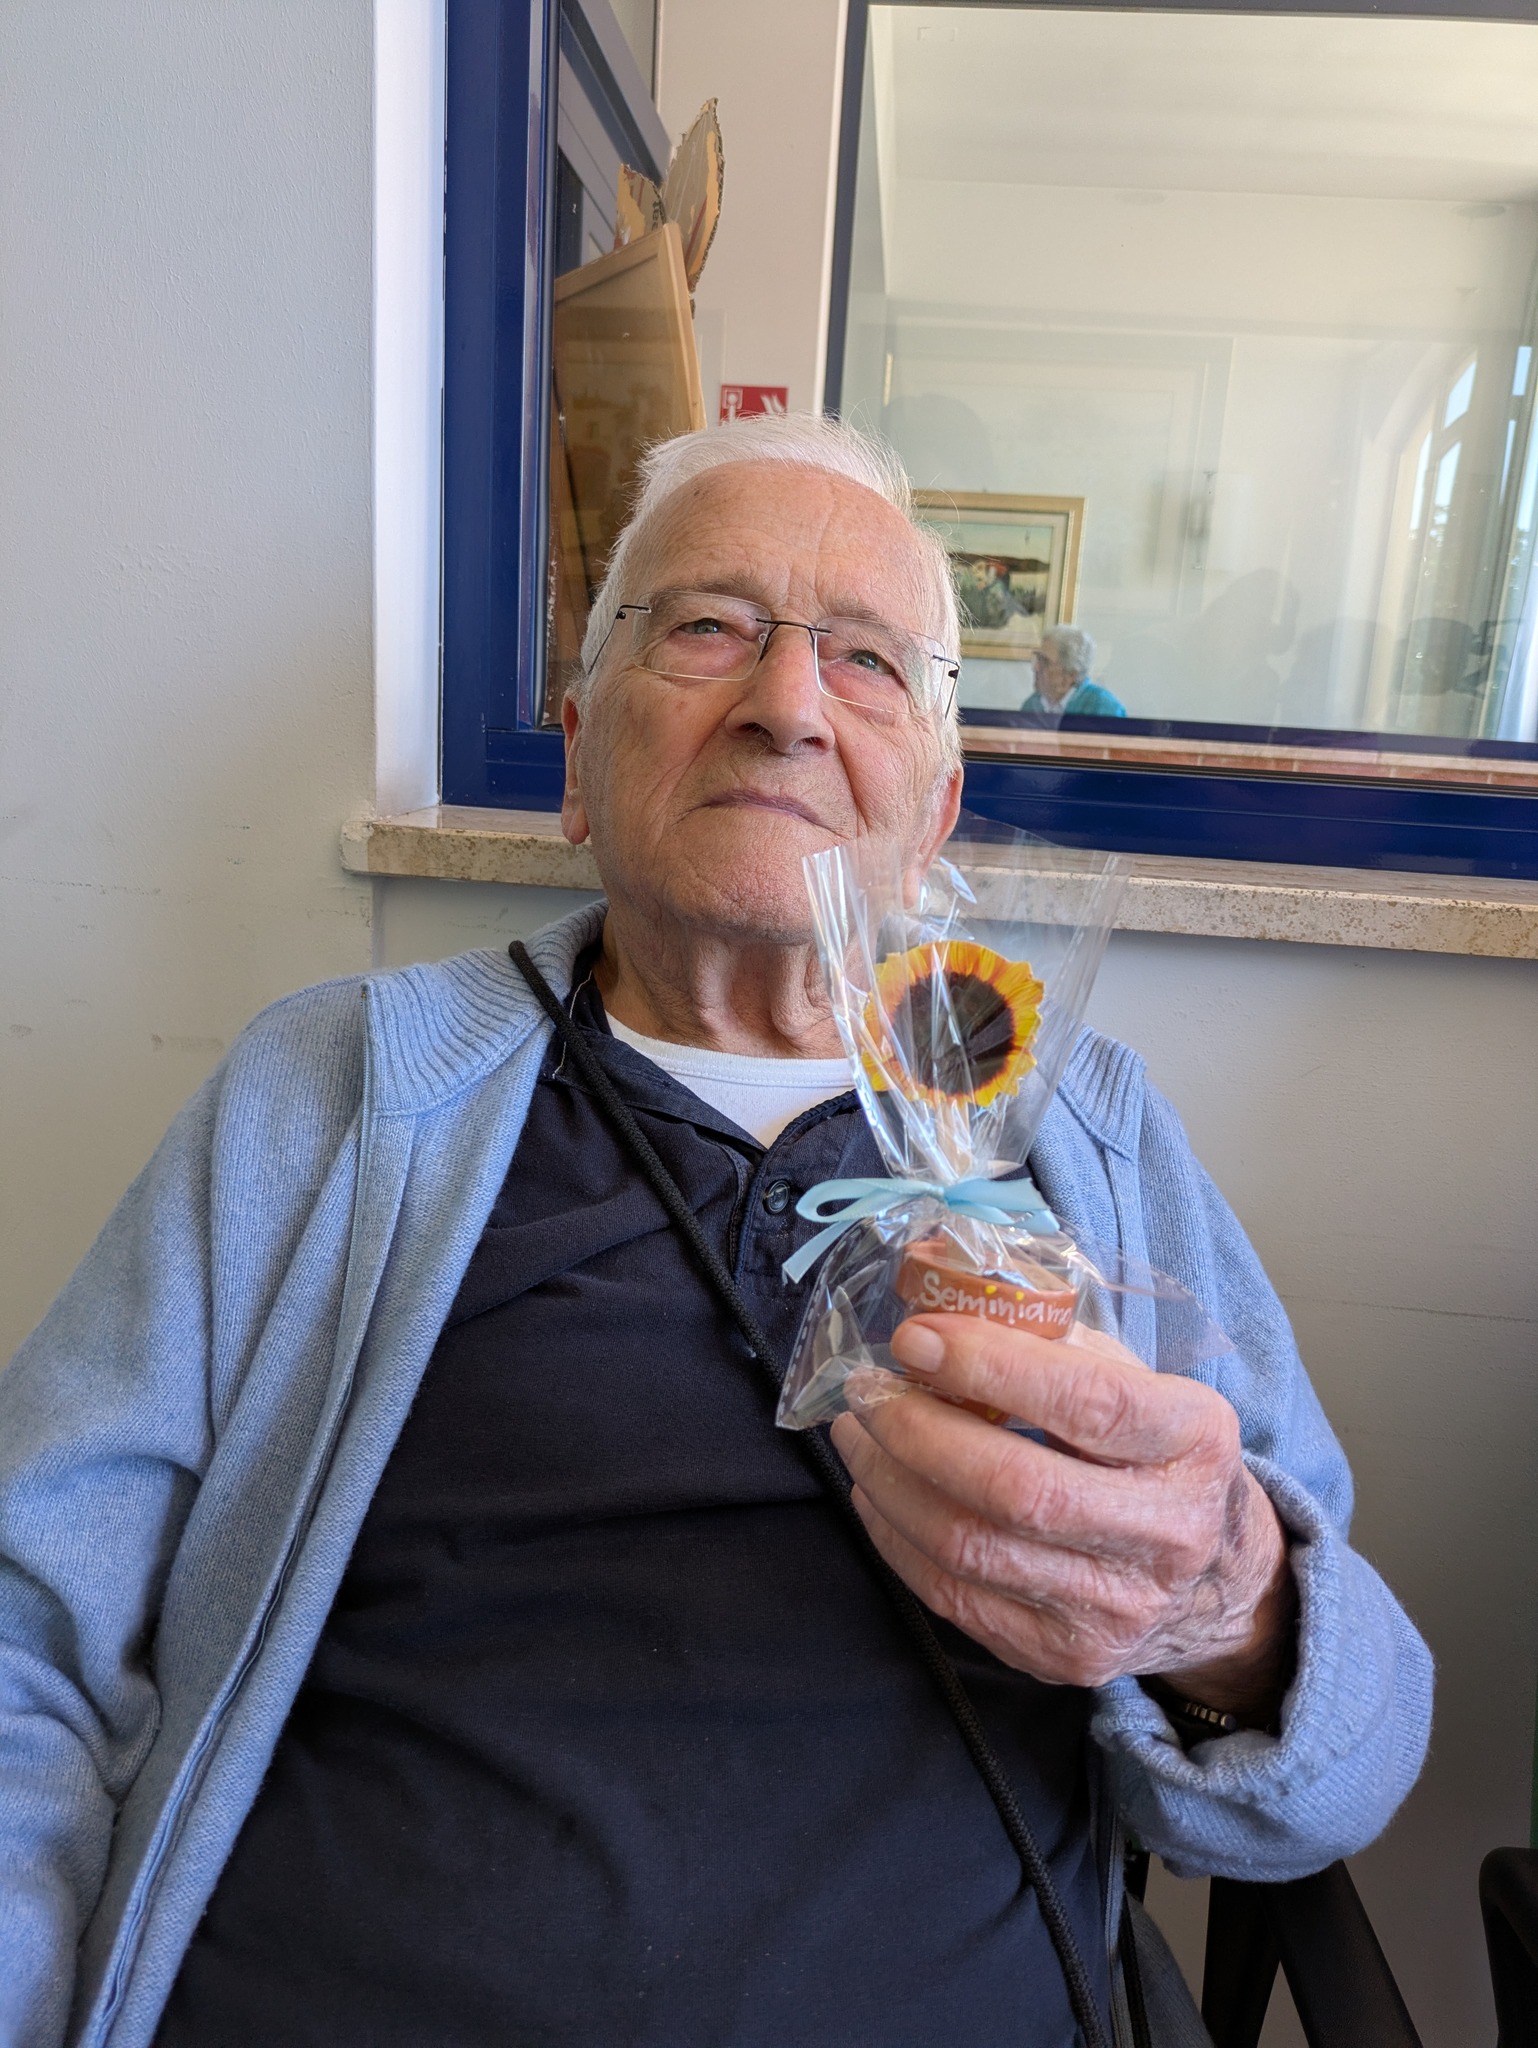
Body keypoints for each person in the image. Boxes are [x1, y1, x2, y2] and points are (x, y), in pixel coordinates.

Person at [0, 413, 1430, 2048]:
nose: (786, 703)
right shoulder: (334, 1092)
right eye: (705, 627)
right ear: (575, 762)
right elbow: (27, 1625)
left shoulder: (1082, 1128)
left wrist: (1223, 1610)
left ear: (936, 810)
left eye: (867, 659)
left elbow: (1348, 1758)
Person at [1024, 625, 1128, 718]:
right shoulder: (1032, 704)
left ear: (1071, 674)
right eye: (1038, 658)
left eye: (1045, 661)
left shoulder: (1104, 708)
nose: (1035, 667)